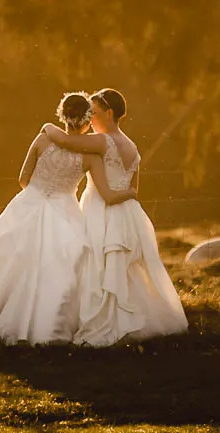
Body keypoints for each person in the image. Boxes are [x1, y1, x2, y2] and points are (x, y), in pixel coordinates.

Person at [0, 92, 137, 344]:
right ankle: (47, 329)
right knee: (59, 269)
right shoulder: (90, 156)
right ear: (87, 120)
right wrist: (129, 190)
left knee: (11, 262)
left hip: (28, 204)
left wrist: (41, 192)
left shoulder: (42, 140)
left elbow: (23, 180)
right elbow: (106, 192)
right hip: (65, 210)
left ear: (63, 115)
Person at [41, 87, 188, 345]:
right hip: (127, 211)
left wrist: (47, 127)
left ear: (108, 113)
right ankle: (136, 318)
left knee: (96, 265)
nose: (89, 117)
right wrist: (126, 194)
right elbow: (134, 189)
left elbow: (66, 141)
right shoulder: (132, 146)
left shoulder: (103, 141)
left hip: (100, 209)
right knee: (125, 268)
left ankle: (103, 320)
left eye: (94, 112)